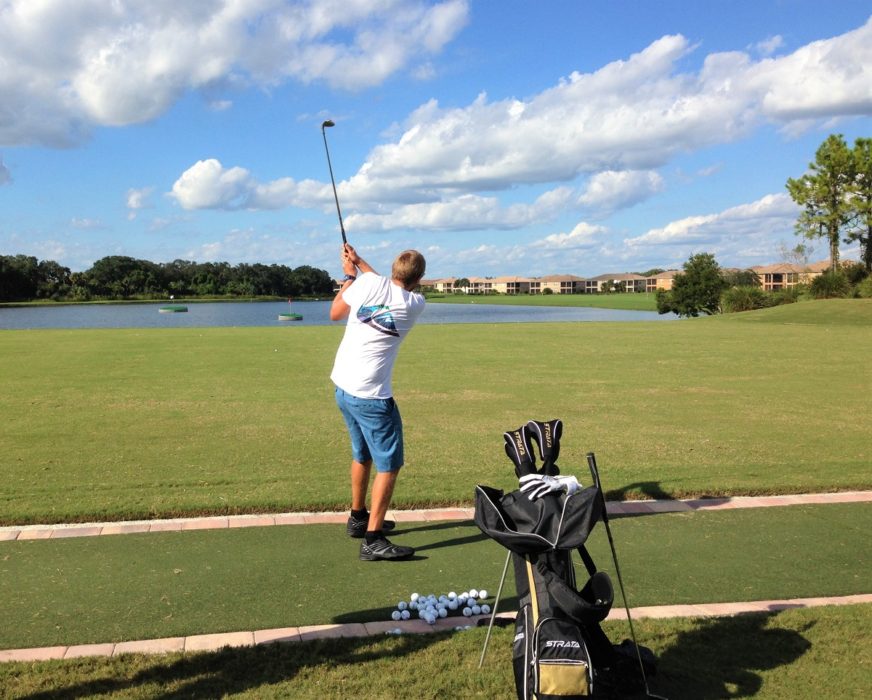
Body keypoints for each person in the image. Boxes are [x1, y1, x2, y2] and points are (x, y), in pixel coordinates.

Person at [330, 244, 426, 561]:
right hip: (372, 397)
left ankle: (358, 517)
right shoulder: (415, 303)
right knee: (389, 465)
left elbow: (335, 313)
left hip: (343, 387)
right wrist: (359, 265)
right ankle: (373, 539)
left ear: (393, 270)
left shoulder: (368, 284)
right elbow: (386, 284)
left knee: (362, 454)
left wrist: (350, 273)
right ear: (419, 280)